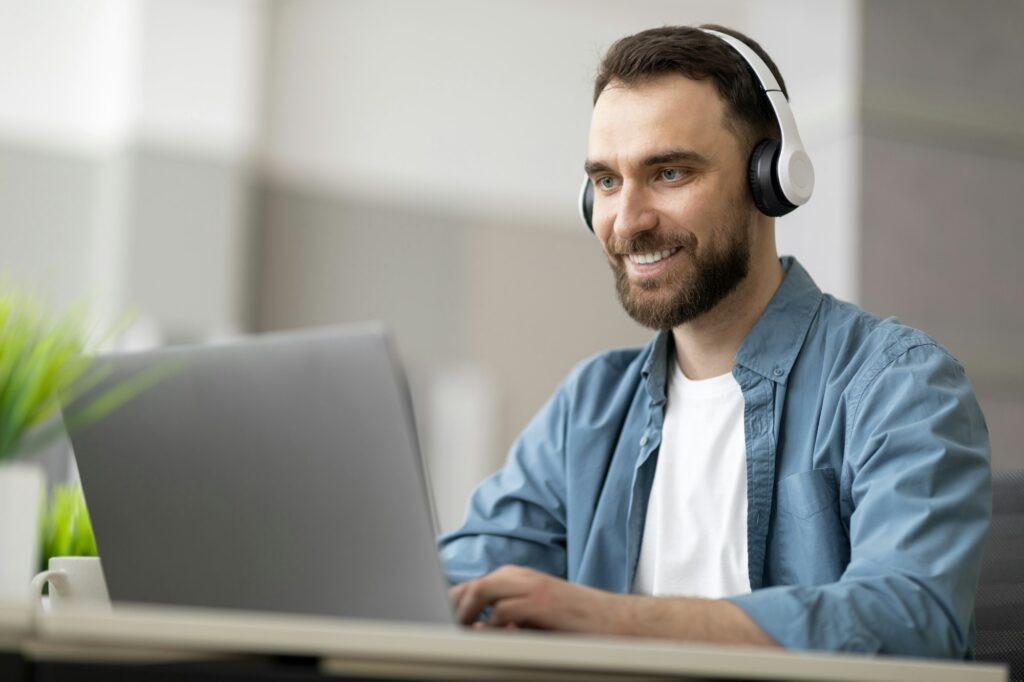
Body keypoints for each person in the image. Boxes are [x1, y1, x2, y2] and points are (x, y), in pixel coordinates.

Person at [438, 24, 991, 658]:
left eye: (669, 172)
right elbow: (457, 587)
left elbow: (912, 621)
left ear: (771, 177)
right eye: (608, 181)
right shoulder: (589, 407)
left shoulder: (899, 384)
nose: (627, 221)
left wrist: (615, 620)